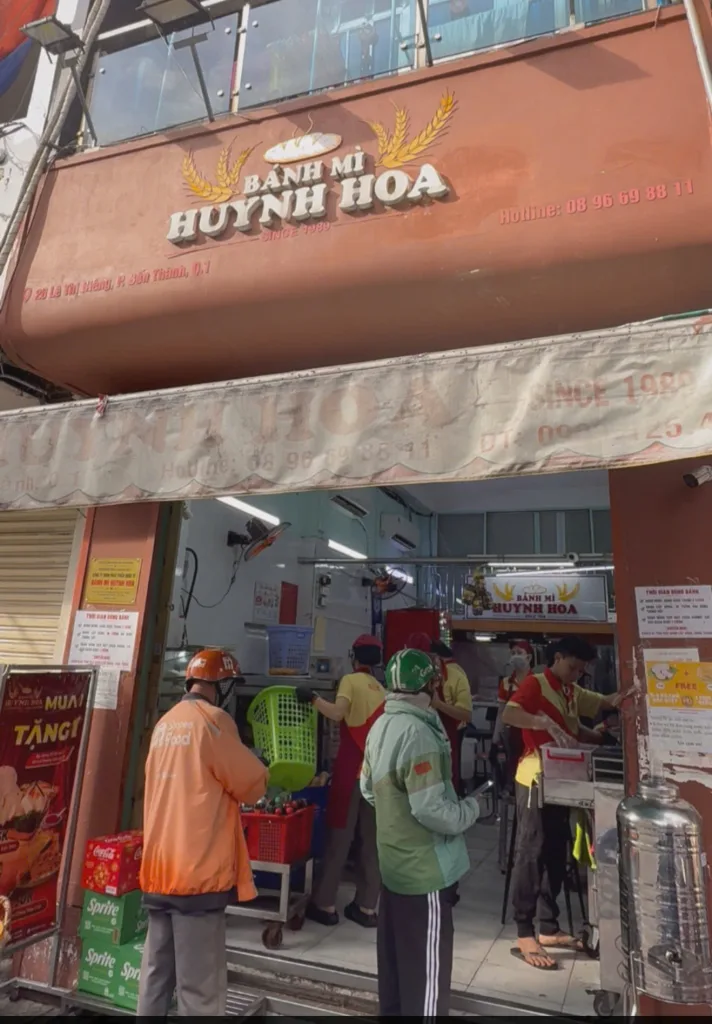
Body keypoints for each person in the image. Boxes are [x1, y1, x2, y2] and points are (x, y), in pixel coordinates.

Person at [138, 649, 268, 1016]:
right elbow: (252, 784)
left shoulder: (165, 724)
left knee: (155, 979)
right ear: (221, 686)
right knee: (200, 992)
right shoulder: (213, 722)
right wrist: (262, 767)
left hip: (159, 871)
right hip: (197, 875)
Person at [360, 649, 480, 1016]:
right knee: (426, 981)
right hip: (424, 874)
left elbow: (368, 789)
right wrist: (470, 809)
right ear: (429, 685)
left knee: (395, 971)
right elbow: (431, 809)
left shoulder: (381, 725)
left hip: (393, 868)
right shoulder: (419, 732)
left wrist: (397, 815)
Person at [501, 636, 630, 971]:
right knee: (531, 852)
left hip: (562, 780)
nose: (576, 674)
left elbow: (597, 707)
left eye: (581, 670)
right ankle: (524, 931)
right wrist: (542, 722)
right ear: (557, 658)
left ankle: (548, 926)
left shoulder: (570, 691)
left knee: (556, 853)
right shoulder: (537, 684)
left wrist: (619, 709)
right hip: (535, 778)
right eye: (573, 667)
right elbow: (510, 714)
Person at [298, 634, 385, 928]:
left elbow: (337, 714)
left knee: (339, 838)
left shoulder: (351, 681)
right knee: (371, 843)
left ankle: (324, 904)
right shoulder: (381, 689)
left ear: (354, 656)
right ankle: (367, 907)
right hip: (375, 775)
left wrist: (311, 697)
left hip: (350, 771)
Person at [406, 633, 473, 791]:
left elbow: (466, 715)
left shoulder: (455, 676)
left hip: (446, 739)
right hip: (417, 741)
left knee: (445, 782)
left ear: (434, 657)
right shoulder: (408, 676)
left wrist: (439, 704)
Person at [490, 640, 534, 793]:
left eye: (519, 653)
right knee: (512, 768)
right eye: (513, 653)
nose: (515, 656)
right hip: (512, 736)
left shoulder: (537, 681)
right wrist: (495, 739)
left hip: (533, 734)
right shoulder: (506, 683)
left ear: (529, 657)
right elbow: (501, 712)